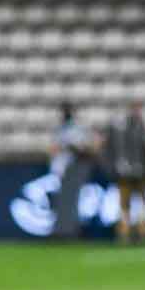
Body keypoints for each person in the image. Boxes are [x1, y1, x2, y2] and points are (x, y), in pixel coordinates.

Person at [103, 102, 145, 244]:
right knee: (125, 204)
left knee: (141, 204)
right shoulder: (126, 127)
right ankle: (125, 233)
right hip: (129, 172)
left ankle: (140, 233)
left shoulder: (138, 127)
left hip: (140, 171)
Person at [49, 102, 95, 240]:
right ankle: (63, 230)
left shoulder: (76, 128)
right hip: (62, 168)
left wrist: (70, 147)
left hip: (73, 167)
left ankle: (69, 231)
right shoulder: (61, 129)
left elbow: (82, 147)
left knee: (70, 200)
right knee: (63, 201)